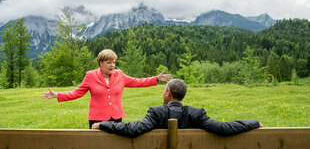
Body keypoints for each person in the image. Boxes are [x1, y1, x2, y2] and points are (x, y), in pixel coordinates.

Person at [41, 49, 172, 129]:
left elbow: (137, 82)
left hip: (116, 117)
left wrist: (156, 79)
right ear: (100, 63)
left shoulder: (119, 74)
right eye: (109, 62)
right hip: (97, 118)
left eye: (114, 62)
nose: (112, 65)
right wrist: (57, 95)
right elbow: (77, 92)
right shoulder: (90, 75)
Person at [92, 79, 263, 138]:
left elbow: (132, 129)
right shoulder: (197, 113)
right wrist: (254, 123)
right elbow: (225, 128)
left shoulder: (156, 112)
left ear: (167, 93)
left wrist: (103, 124)